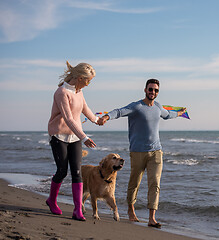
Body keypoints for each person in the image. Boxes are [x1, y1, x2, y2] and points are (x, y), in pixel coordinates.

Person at [98, 79, 186, 228]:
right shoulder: (136, 106)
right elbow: (119, 111)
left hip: (156, 152)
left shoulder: (158, 106)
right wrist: (106, 117)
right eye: (150, 89)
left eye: (156, 90)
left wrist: (179, 113)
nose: (153, 92)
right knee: (135, 183)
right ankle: (131, 210)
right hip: (138, 152)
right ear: (145, 90)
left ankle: (152, 218)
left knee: (155, 183)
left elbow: (167, 115)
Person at [47, 61, 99, 221]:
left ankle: (78, 210)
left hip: (75, 136)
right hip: (59, 135)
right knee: (62, 171)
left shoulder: (79, 92)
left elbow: (85, 108)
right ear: (79, 77)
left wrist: (97, 120)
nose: (88, 84)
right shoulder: (61, 92)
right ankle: (51, 200)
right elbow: (69, 118)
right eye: (87, 80)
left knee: (77, 173)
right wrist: (84, 137)